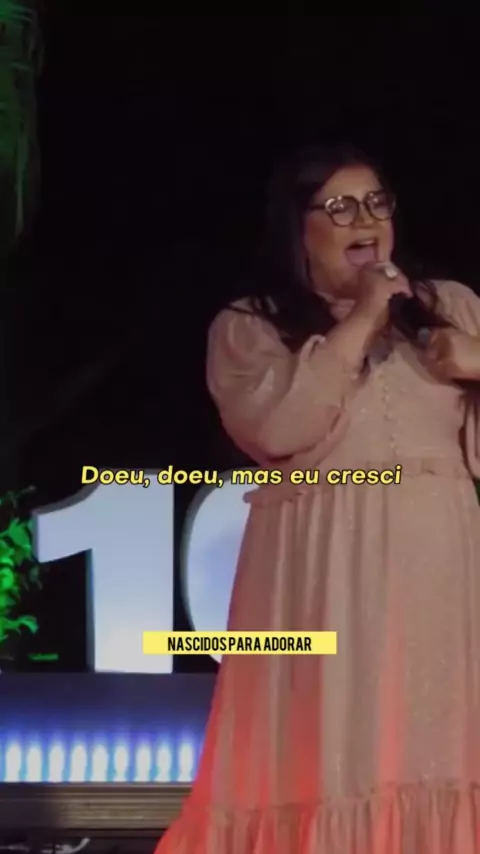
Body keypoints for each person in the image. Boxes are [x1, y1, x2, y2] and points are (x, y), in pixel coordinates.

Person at [154, 144, 480, 853]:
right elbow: (278, 428)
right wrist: (361, 318)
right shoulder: (251, 325)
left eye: (376, 202)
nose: (366, 219)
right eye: (340, 207)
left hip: (439, 568)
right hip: (323, 568)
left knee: (438, 746)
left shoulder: (449, 307)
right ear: (297, 227)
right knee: (337, 748)